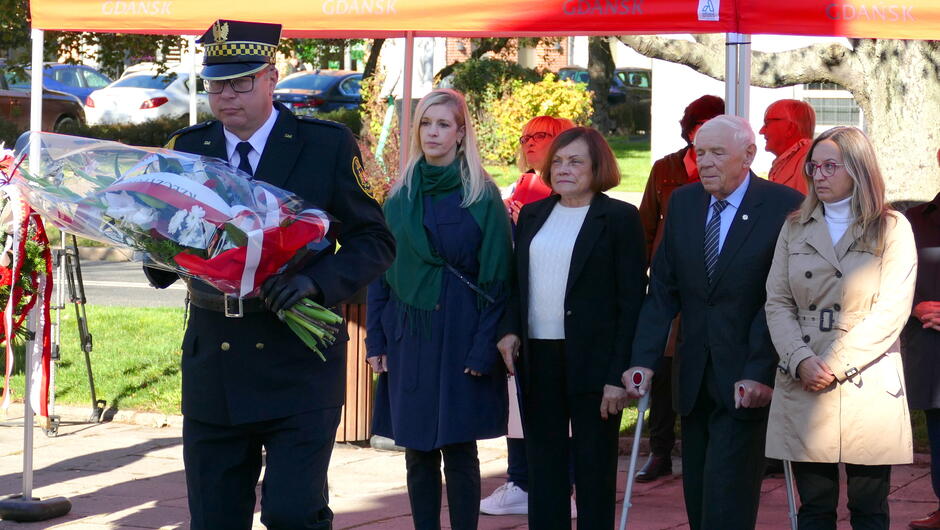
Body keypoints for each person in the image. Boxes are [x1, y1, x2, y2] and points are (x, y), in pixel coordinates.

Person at [144, 19, 395, 530]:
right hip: (216, 359)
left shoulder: (325, 146)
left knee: (293, 513)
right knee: (214, 518)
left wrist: (316, 282)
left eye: (241, 82)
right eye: (216, 84)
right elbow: (162, 259)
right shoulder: (189, 147)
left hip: (296, 362)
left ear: (271, 78)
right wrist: (147, 236)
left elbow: (375, 241)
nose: (226, 96)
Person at [626, 115, 804, 529]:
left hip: (746, 373)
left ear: (748, 156)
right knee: (699, 495)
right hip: (692, 374)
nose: (704, 162)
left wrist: (760, 370)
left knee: (728, 497)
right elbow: (664, 290)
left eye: (717, 153)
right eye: (699, 152)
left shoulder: (781, 206)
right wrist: (643, 360)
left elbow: (779, 298)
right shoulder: (684, 203)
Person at [365, 88, 512, 530]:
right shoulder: (399, 198)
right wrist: (376, 339)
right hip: (409, 331)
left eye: (443, 124)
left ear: (461, 134)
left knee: (459, 446)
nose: (433, 132)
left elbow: (499, 278)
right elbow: (381, 273)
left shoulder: (481, 196)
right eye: (426, 124)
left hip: (464, 331)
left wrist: (483, 347)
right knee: (417, 449)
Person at [764, 126, 916, 529]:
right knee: (815, 509)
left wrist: (834, 363)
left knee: (869, 509)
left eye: (831, 165)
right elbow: (777, 302)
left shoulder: (892, 228)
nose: (819, 175)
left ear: (859, 169)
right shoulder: (794, 226)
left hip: (866, 373)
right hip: (805, 376)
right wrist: (800, 360)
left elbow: (892, 310)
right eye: (814, 166)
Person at [497, 127, 648, 528]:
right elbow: (518, 283)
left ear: (598, 167)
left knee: (593, 469)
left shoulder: (618, 218)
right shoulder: (534, 214)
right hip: (539, 355)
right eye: (558, 161)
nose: (564, 169)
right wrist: (511, 329)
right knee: (543, 468)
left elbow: (631, 300)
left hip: (595, 361)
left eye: (575, 161)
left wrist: (619, 372)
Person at [481, 115, 574, 517]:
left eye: (542, 135)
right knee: (519, 405)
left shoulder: (554, 193)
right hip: (518, 309)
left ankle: (554, 483)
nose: (530, 142)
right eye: (526, 135)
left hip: (554, 317)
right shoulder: (522, 185)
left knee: (551, 408)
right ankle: (520, 479)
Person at [635, 94, 724, 483]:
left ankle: (703, 449)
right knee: (664, 367)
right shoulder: (665, 169)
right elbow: (646, 225)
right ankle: (659, 450)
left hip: (711, 284)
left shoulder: (727, 170)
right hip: (671, 281)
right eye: (697, 127)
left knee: (701, 366)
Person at [760, 99, 816, 194]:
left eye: (767, 123)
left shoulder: (809, 159)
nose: (761, 131)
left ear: (790, 128)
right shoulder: (793, 159)